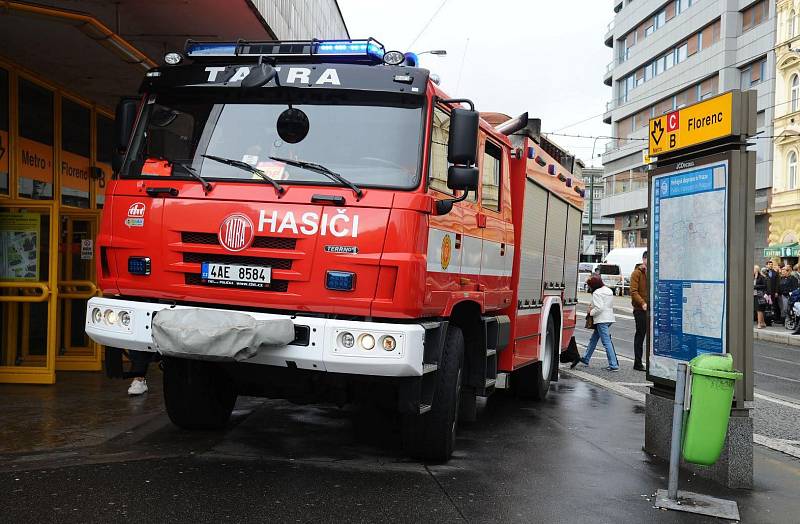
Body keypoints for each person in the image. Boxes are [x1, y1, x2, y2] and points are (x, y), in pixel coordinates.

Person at [574, 275, 619, 371]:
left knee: (606, 342)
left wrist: (590, 312)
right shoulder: (609, 291)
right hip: (609, 318)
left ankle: (613, 365)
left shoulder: (596, 293)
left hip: (601, 320)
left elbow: (599, 307)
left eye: (590, 285)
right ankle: (586, 359)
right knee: (594, 339)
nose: (589, 288)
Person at [629, 251, 648, 371]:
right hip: (640, 309)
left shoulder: (651, 272)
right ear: (643, 259)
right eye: (647, 259)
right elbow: (633, 291)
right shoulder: (637, 273)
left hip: (650, 309)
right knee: (640, 335)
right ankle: (637, 362)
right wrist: (643, 303)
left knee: (649, 337)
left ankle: (646, 362)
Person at [754, 265, 767, 329]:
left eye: (753, 269)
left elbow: (764, 286)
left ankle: (759, 323)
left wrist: (755, 287)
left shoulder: (761, 277)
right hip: (753, 294)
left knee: (759, 309)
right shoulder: (752, 277)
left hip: (759, 295)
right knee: (758, 309)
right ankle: (763, 322)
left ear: (757, 270)